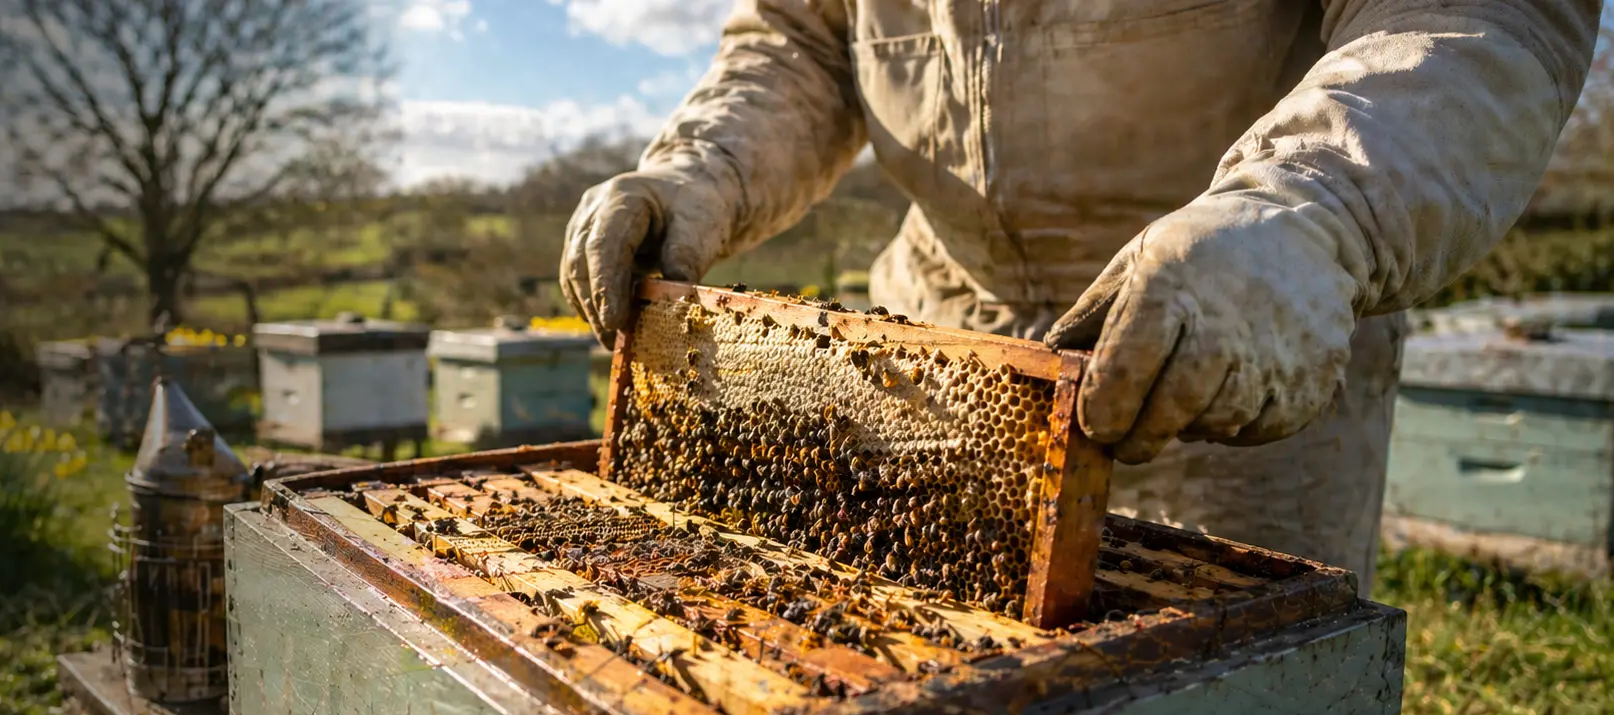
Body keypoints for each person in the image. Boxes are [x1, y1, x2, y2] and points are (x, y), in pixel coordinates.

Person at [559, 0, 1600, 594]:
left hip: (1227, 318)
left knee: (1208, 703)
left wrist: (1311, 210)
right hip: (936, 349)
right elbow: (804, 38)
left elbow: (1469, 18)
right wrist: (699, 172)